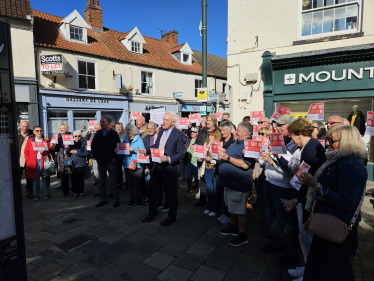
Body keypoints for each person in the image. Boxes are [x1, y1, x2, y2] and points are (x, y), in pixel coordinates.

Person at [297, 125, 367, 281]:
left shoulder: (350, 165)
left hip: (335, 225)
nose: (327, 143)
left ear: (347, 141)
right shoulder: (337, 160)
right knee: (333, 268)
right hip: (327, 222)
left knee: (330, 269)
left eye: (331, 140)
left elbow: (348, 202)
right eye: (327, 139)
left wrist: (316, 185)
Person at [275, 118, 327, 278]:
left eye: (291, 134)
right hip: (305, 198)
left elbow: (304, 180)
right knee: (304, 237)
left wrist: (295, 199)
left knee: (307, 238)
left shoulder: (310, 150)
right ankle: (307, 267)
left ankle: (310, 272)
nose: (290, 138)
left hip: (308, 201)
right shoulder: (307, 147)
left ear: (298, 133)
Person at [260, 114, 299, 265]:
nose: (277, 128)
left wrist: (273, 160)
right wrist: (263, 159)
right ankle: (275, 241)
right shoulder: (277, 140)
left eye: (281, 126)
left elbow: (291, 171)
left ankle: (285, 247)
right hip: (270, 182)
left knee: (282, 219)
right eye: (277, 125)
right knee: (272, 216)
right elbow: (269, 162)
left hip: (283, 187)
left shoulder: (295, 146)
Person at [139, 112, 186, 226]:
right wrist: (147, 150)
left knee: (171, 194)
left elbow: (181, 153)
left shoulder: (179, 135)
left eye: (166, 120)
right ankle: (152, 212)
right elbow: (156, 146)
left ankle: (171, 216)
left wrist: (169, 158)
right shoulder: (161, 131)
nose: (163, 122)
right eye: (163, 119)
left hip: (170, 168)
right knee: (151, 190)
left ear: (173, 122)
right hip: (158, 166)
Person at [218, 122, 256, 246]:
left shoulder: (250, 144)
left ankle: (242, 234)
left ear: (246, 132)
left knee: (239, 210)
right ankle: (233, 227)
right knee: (232, 207)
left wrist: (227, 158)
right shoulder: (237, 142)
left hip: (239, 183)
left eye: (238, 130)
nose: (235, 131)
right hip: (230, 182)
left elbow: (245, 164)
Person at [91, 116, 121, 208]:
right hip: (101, 162)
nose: (101, 124)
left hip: (111, 162)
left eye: (103, 122)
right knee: (102, 182)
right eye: (100, 122)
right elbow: (93, 146)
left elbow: (118, 146)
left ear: (108, 123)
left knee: (114, 182)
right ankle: (103, 200)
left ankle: (116, 200)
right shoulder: (98, 133)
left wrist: (114, 157)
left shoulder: (114, 133)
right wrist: (96, 157)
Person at [194, 114, 221, 207]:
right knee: (202, 181)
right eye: (207, 120)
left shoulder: (218, 131)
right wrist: (196, 150)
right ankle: (203, 200)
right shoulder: (202, 131)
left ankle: (214, 204)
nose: (208, 122)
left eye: (210, 120)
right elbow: (197, 143)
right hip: (202, 160)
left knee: (213, 184)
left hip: (213, 163)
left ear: (214, 122)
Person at [24, 126, 51, 201]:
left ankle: (47, 194)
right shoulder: (30, 141)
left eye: (40, 130)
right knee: (35, 179)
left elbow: (49, 150)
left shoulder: (45, 140)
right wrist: (28, 161)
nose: (39, 132)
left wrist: (45, 150)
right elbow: (26, 152)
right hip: (34, 162)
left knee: (46, 178)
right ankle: (36, 195)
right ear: (34, 132)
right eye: (37, 131)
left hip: (44, 161)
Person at [198, 130, 222, 216]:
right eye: (210, 135)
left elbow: (219, 159)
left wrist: (212, 160)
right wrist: (200, 157)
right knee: (209, 188)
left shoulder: (219, 145)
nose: (210, 137)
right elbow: (203, 155)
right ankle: (209, 207)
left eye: (212, 135)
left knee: (215, 189)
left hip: (215, 169)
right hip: (207, 168)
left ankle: (216, 209)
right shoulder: (206, 143)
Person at [216, 121, 235, 225]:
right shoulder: (220, 141)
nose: (222, 132)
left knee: (229, 195)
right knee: (222, 194)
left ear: (229, 131)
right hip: (219, 170)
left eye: (224, 130)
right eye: (221, 130)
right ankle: (224, 213)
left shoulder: (234, 142)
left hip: (228, 171)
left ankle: (229, 216)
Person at [122, 125, 145, 207]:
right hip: (128, 164)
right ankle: (132, 200)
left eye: (130, 130)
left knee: (137, 183)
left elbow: (143, 151)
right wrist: (118, 150)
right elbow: (123, 151)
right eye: (127, 130)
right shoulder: (125, 140)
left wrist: (135, 149)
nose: (128, 131)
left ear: (134, 131)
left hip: (137, 164)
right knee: (130, 184)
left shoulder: (139, 140)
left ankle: (139, 200)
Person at [253, 126, 272, 221]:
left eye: (262, 134)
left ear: (268, 134)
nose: (260, 136)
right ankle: (261, 215)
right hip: (259, 172)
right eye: (259, 133)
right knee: (260, 196)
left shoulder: (271, 145)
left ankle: (267, 217)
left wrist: (257, 157)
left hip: (267, 174)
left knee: (266, 197)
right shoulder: (258, 144)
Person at [142, 122, 162, 206]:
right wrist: (146, 165)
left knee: (158, 183)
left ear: (155, 128)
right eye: (148, 128)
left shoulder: (160, 137)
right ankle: (149, 197)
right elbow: (143, 151)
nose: (149, 130)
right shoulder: (145, 138)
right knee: (148, 181)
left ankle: (158, 200)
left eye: (151, 128)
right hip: (148, 164)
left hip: (158, 164)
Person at [66, 130, 89, 199]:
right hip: (72, 163)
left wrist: (76, 152)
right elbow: (68, 154)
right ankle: (75, 192)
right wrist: (67, 149)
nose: (77, 137)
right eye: (75, 136)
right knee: (73, 179)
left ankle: (81, 192)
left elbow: (86, 154)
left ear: (81, 136)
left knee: (80, 179)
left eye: (79, 136)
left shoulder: (84, 143)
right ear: (73, 136)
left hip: (81, 163)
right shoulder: (71, 143)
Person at [51, 124, 72, 197]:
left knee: (72, 173)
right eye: (60, 128)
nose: (61, 129)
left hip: (70, 156)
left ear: (66, 128)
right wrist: (53, 146)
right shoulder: (57, 136)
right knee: (64, 174)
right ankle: (65, 191)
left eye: (62, 128)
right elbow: (55, 149)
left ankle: (73, 188)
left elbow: (75, 144)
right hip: (61, 157)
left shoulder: (71, 135)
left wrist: (70, 147)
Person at [18, 120, 34, 198]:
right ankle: (17, 192)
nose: (25, 128)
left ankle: (30, 191)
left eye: (26, 126)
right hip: (19, 159)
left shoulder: (32, 134)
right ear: (20, 126)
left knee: (29, 177)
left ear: (29, 126)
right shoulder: (16, 134)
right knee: (17, 176)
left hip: (29, 159)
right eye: (23, 126)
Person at [184, 127, 200, 198]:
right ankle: (189, 190)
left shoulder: (199, 140)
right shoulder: (187, 140)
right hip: (189, 162)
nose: (192, 133)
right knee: (189, 177)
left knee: (198, 178)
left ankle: (200, 191)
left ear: (197, 133)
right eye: (191, 132)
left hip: (197, 162)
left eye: (194, 132)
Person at [90, 123, 102, 197]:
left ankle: (109, 191)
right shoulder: (92, 135)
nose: (96, 129)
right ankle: (99, 191)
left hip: (103, 158)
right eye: (95, 128)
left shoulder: (104, 135)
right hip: (95, 158)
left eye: (98, 128)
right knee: (97, 175)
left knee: (106, 176)